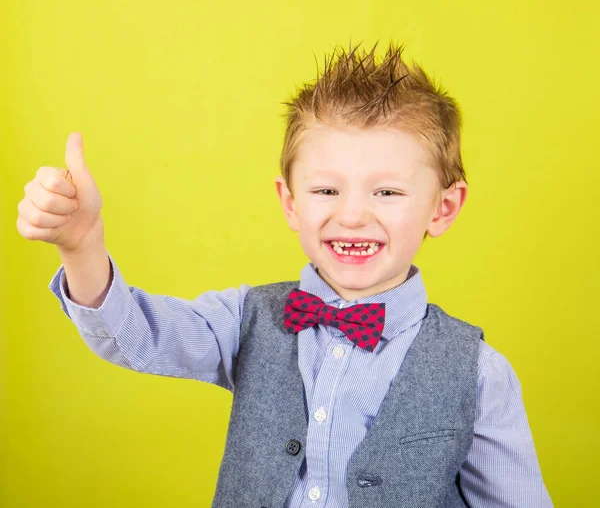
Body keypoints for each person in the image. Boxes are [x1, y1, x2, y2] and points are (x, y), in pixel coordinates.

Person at [17, 41, 553, 507]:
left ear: (443, 208)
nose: (351, 214)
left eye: (386, 192)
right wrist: (82, 247)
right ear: (290, 201)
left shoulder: (480, 373)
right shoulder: (244, 317)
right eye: (326, 189)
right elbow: (139, 337)